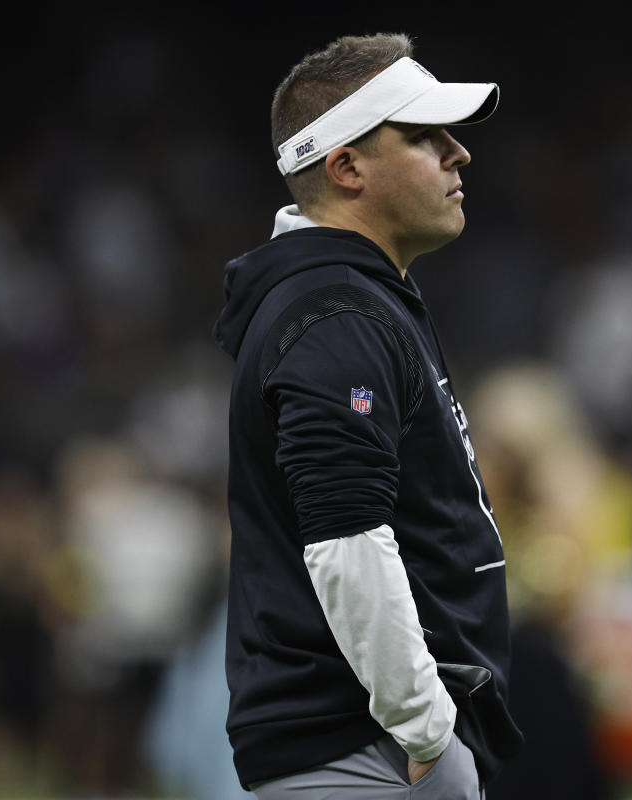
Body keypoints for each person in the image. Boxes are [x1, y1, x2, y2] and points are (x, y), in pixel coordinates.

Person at [212, 33, 522, 798]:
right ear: (345, 167)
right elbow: (346, 539)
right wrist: (426, 730)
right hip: (366, 751)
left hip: (366, 744)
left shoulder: (348, 301)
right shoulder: (337, 316)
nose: (459, 154)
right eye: (423, 137)